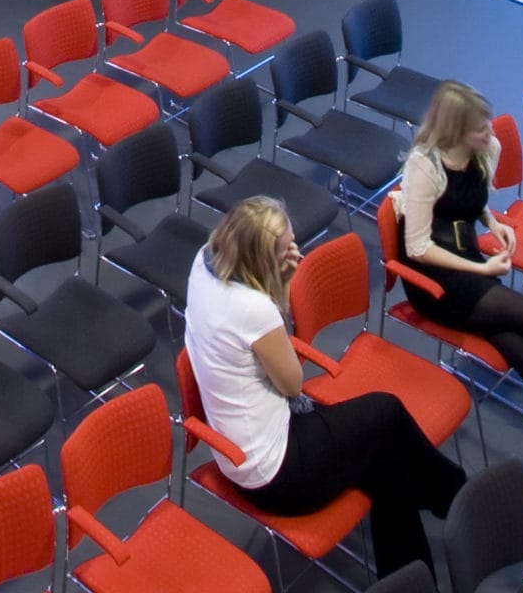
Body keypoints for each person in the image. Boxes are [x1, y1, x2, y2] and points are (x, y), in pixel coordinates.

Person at [185, 194, 464, 582]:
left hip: (246, 445)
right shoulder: (252, 309)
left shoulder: (205, 262)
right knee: (386, 412)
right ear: (261, 260)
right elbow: (292, 382)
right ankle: (455, 494)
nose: (295, 252)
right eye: (285, 251)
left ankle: (415, 579)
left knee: (388, 468)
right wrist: (282, 286)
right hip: (274, 471)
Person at [395, 80, 523, 414]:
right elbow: (417, 248)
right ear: (456, 131)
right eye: (479, 129)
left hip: (466, 257)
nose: (490, 132)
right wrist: (482, 269)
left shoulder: (488, 149)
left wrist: (493, 223)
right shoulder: (425, 165)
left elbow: (472, 202)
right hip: (432, 279)